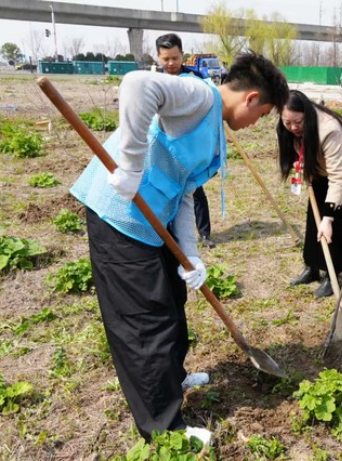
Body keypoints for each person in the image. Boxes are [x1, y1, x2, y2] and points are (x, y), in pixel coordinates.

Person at [70, 52, 288, 443]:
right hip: (118, 217)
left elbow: (185, 193)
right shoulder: (200, 97)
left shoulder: (214, 127)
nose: (256, 123)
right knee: (146, 322)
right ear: (252, 98)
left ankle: (173, 377)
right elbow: (137, 85)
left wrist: (191, 255)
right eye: (262, 115)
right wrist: (130, 164)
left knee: (172, 299)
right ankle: (164, 428)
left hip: (155, 222)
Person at [278, 90, 342, 297]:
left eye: (298, 122)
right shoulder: (287, 126)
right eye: (287, 122)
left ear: (307, 115)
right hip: (318, 163)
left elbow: (338, 176)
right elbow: (295, 146)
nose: (293, 127)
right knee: (315, 214)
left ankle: (332, 273)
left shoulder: (329, 128)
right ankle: (312, 266)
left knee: (337, 219)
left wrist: (328, 218)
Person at [156, 33, 216, 248]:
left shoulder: (195, 79)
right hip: (164, 144)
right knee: (165, 189)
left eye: (175, 58)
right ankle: (168, 234)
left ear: (183, 55)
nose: (171, 63)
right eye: (166, 59)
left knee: (194, 189)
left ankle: (205, 234)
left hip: (189, 144)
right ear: (158, 57)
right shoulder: (155, 81)